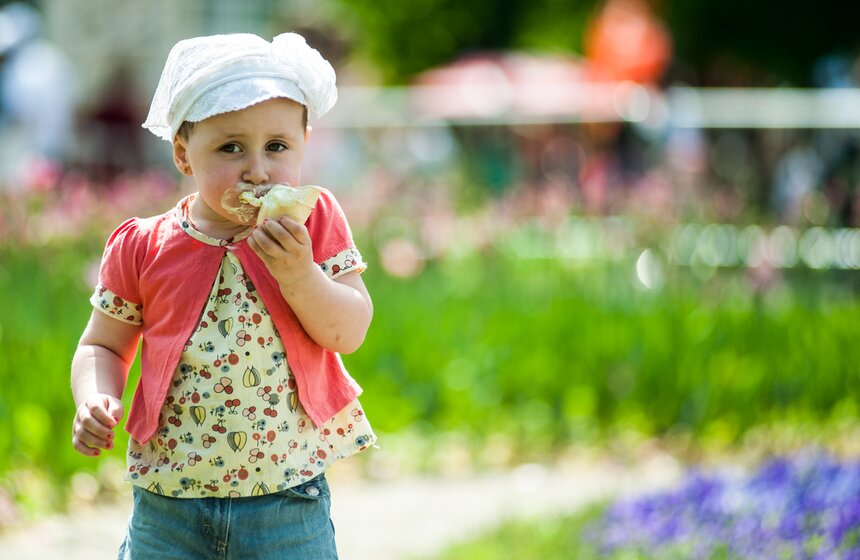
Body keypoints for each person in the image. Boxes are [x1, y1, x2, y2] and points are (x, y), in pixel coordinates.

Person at [70, 32, 376, 559]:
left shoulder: (313, 222)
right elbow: (102, 345)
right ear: (184, 154)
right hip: (170, 501)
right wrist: (95, 396)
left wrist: (300, 275)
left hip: (287, 497)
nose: (257, 169)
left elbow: (348, 333)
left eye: (276, 147)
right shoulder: (144, 245)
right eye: (230, 147)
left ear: (304, 143)